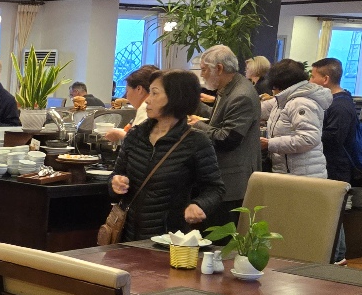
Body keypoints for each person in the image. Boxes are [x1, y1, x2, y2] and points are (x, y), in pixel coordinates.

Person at [109, 70, 225, 241]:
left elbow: (215, 189)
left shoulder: (196, 142)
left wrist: (199, 205)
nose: (147, 100)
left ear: (176, 97)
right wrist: (115, 183)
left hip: (168, 239)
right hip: (127, 236)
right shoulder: (135, 135)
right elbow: (116, 174)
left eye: (155, 93)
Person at [190, 44, 261, 229]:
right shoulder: (230, 87)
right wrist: (198, 109)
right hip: (225, 176)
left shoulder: (241, 95)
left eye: (204, 70)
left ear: (219, 68)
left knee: (220, 237)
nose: (202, 75)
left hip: (232, 181)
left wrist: (196, 124)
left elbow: (227, 139)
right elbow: (221, 117)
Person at [310, 57, 359, 264]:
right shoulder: (330, 102)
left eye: (313, 76)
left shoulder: (340, 106)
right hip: (331, 164)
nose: (310, 81)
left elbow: (334, 137)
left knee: (333, 212)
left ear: (325, 79)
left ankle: (337, 258)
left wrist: (308, 134)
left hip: (336, 167)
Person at [259, 59, 328, 178]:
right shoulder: (284, 100)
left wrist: (270, 144)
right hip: (289, 171)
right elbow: (259, 109)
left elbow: (308, 139)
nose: (272, 90)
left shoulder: (301, 103)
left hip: (303, 176)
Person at [104, 65, 161, 143]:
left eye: (127, 91)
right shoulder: (158, 106)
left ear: (139, 89)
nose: (127, 96)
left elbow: (139, 142)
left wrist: (118, 133)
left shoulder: (146, 107)